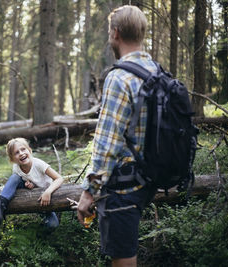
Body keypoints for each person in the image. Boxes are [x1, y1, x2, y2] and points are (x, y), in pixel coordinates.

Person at [77, 5, 157, 267]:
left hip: (124, 184)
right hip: (148, 179)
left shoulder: (119, 77)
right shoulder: (155, 71)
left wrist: (89, 192)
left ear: (115, 33)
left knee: (124, 258)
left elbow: (107, 144)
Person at [0, 137, 64, 229]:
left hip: (45, 197)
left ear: (29, 150)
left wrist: (48, 192)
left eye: (23, 149)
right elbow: (17, 182)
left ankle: (39, 235)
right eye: (16, 152)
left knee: (52, 225)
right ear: (12, 159)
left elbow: (59, 178)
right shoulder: (16, 167)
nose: (21, 153)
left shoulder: (38, 164)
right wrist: (27, 184)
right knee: (14, 177)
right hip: (32, 193)